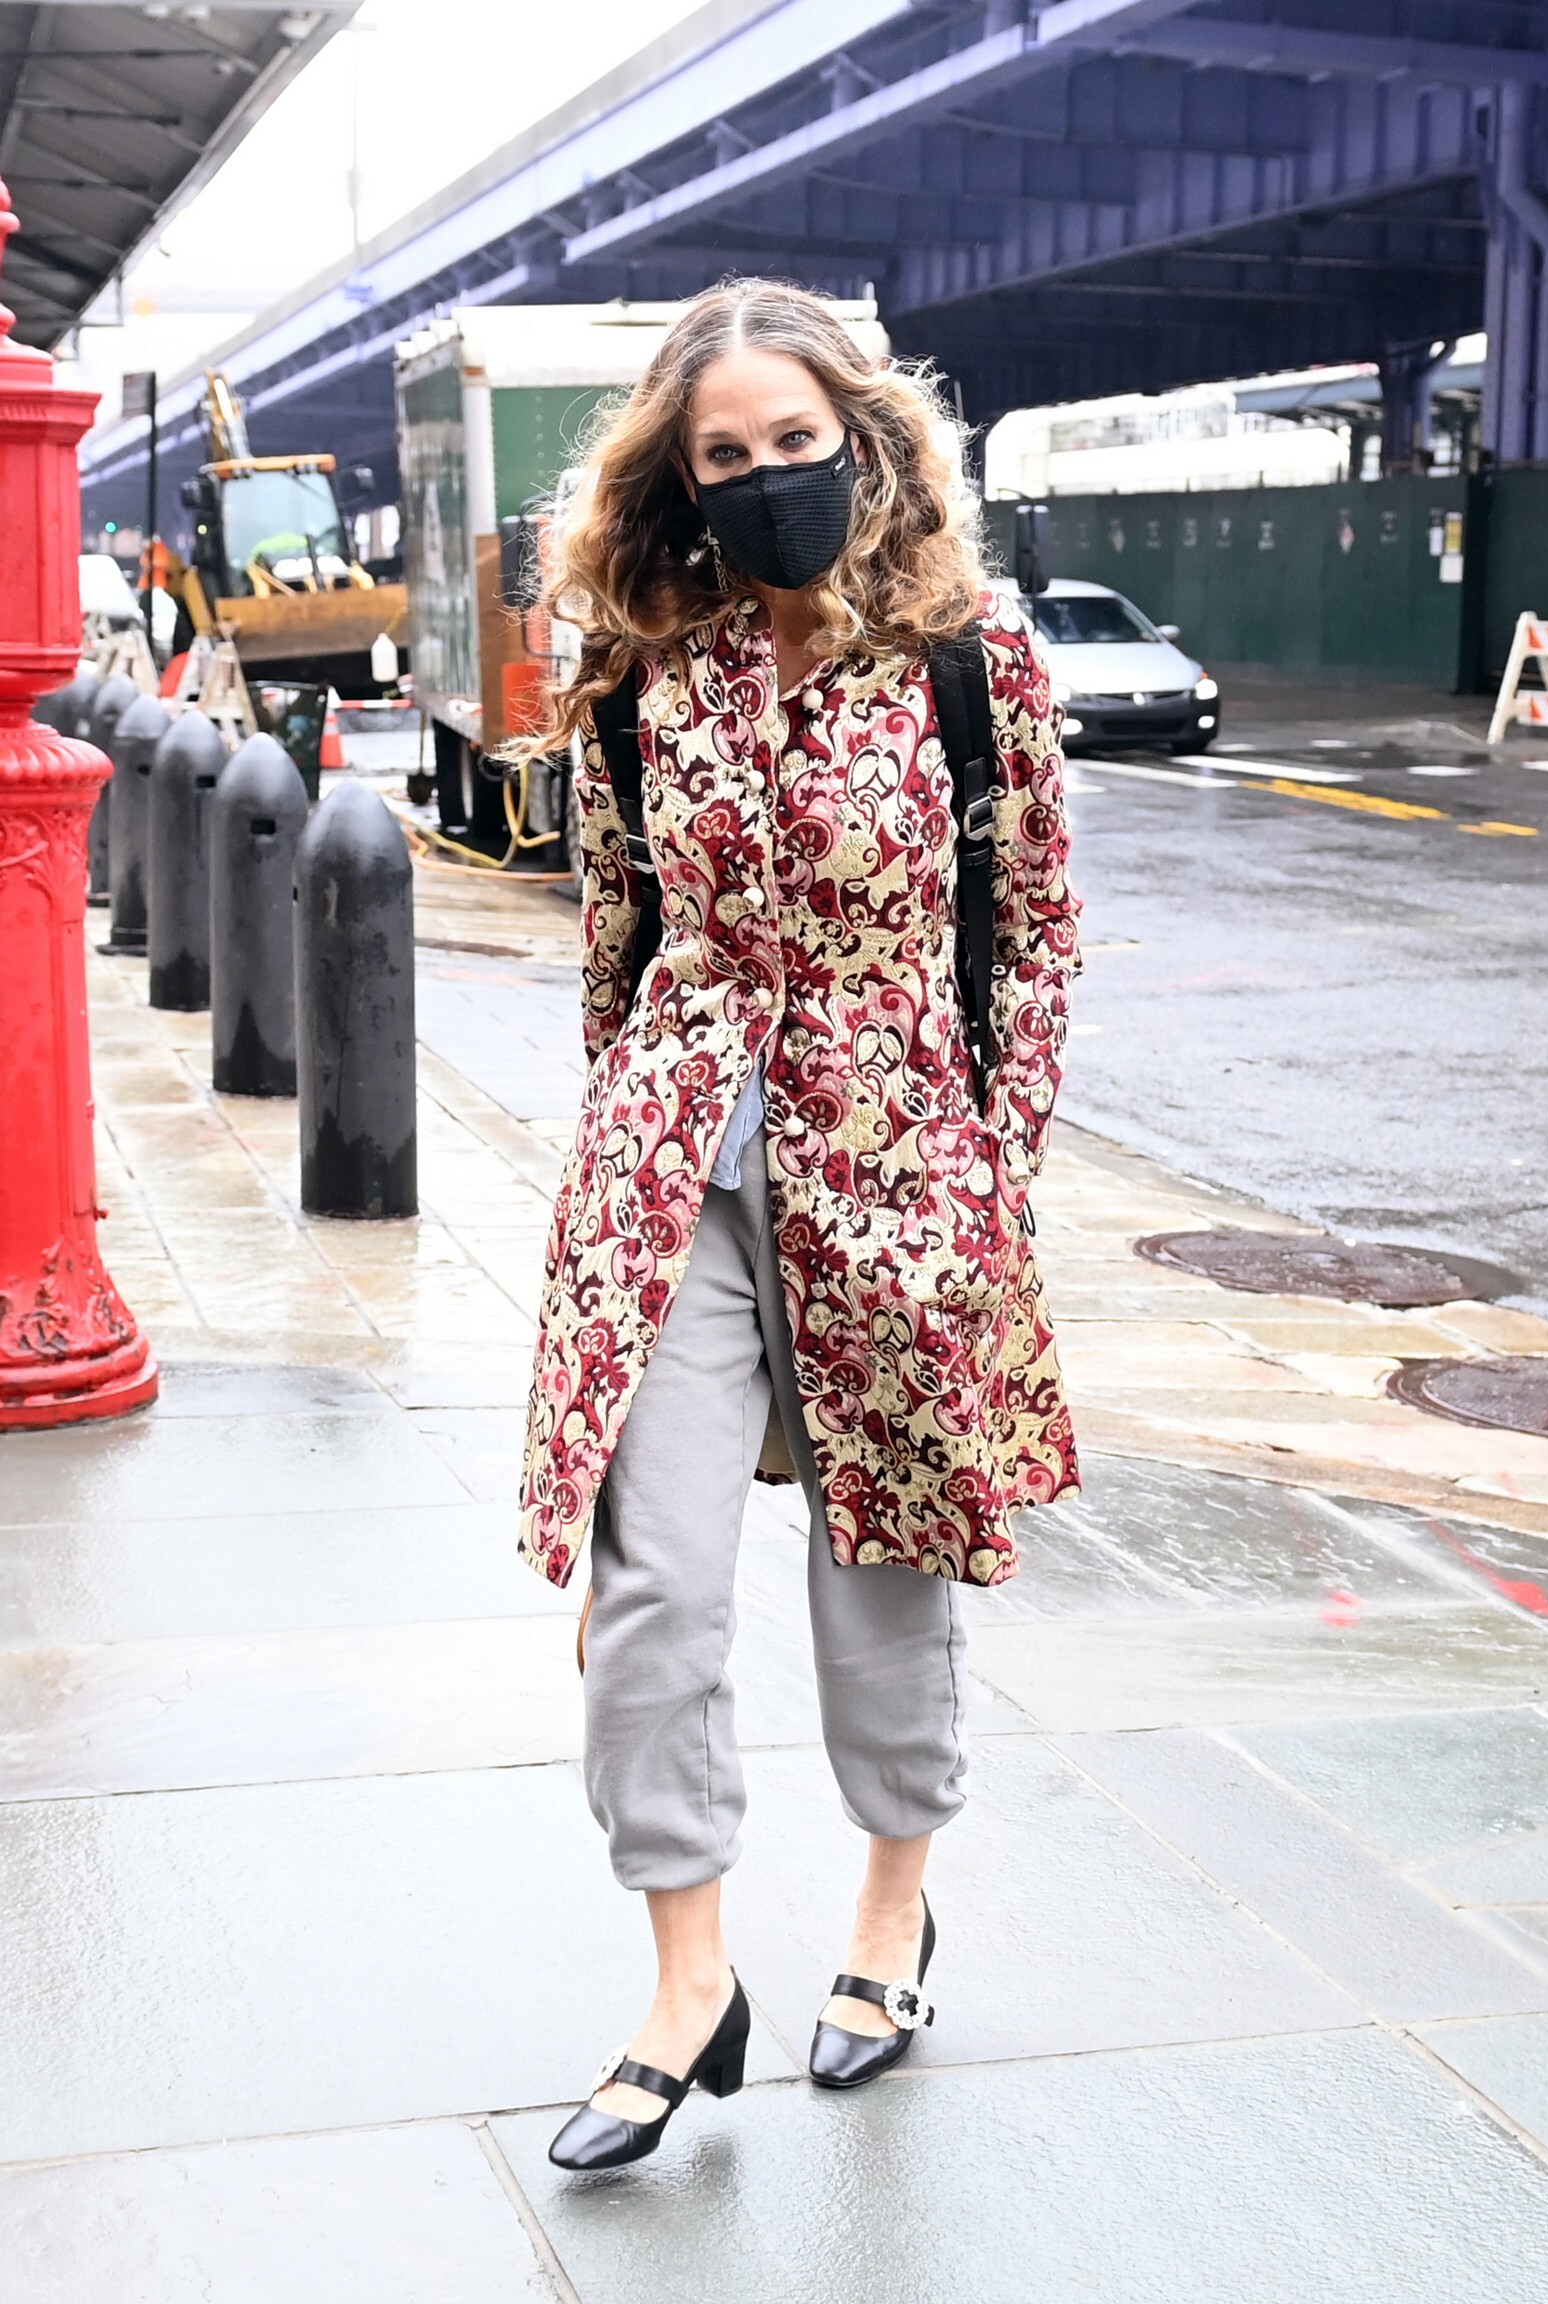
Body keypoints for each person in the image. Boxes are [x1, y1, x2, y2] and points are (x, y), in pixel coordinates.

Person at [517, 280, 1081, 2172]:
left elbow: (1032, 928)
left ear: (863, 438)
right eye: (725, 452)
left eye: (794, 441)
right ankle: (690, 1986)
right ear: (679, 478)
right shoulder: (639, 673)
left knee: (883, 1565)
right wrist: (618, 1149)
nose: (766, 474)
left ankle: (889, 1915)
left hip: (898, 1160)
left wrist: (992, 1161)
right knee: (653, 1587)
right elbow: (617, 939)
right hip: (675, 1164)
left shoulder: (967, 660)